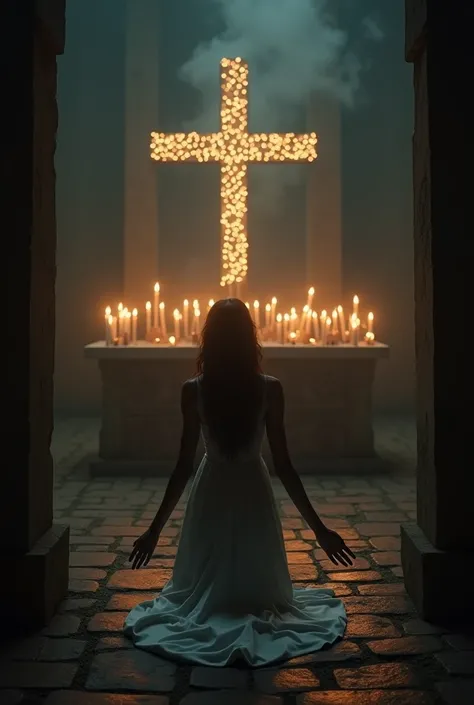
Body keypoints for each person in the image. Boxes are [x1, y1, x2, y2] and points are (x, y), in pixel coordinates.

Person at [124, 298, 355, 667]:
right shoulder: (270, 389)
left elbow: (182, 466)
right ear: (250, 338)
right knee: (256, 585)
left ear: (208, 338)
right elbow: (285, 466)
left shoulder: (193, 390)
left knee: (209, 574)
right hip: (253, 490)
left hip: (211, 488)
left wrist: (154, 530)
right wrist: (320, 530)